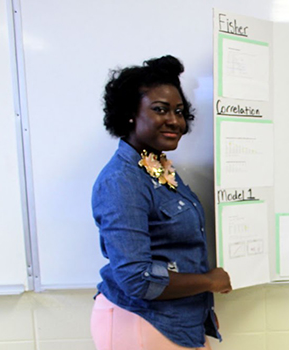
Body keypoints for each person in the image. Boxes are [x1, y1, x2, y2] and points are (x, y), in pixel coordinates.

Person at [90, 55, 232, 350]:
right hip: (142, 322)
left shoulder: (156, 167)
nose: (174, 120)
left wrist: (202, 309)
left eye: (179, 111)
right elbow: (137, 279)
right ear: (130, 113)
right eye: (160, 110)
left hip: (178, 322)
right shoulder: (122, 181)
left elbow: (177, 252)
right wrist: (208, 282)